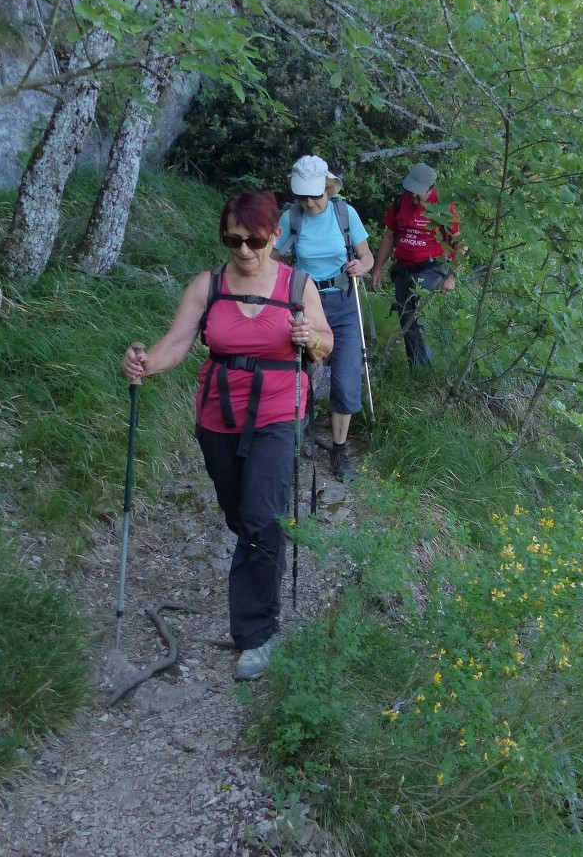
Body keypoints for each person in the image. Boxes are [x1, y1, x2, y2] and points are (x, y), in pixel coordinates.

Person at [121, 190, 332, 682]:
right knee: (242, 516)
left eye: (254, 240)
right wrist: (144, 363)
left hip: (280, 413)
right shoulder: (208, 285)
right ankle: (261, 572)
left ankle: (257, 634)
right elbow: (175, 343)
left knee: (263, 518)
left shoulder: (297, 285)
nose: (243, 250)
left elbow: (325, 342)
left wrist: (311, 340)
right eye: (232, 240)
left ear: (275, 235)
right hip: (218, 416)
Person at [274, 155, 374, 483]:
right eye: (302, 196)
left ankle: (340, 450)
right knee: (298, 376)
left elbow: (367, 256)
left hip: (343, 304)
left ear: (327, 188)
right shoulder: (292, 218)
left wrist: (361, 267)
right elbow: (270, 257)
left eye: (315, 195)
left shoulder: (345, 213)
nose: (309, 202)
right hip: (303, 303)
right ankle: (294, 434)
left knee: (345, 381)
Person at [370, 162, 464, 367]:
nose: (412, 197)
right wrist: (377, 268)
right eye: (409, 191)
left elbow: (460, 244)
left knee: (415, 296)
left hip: (431, 268)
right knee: (405, 315)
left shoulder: (443, 207)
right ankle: (418, 365)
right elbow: (389, 237)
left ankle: (426, 358)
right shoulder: (400, 203)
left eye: (417, 193)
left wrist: (451, 276)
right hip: (403, 267)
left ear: (430, 189)